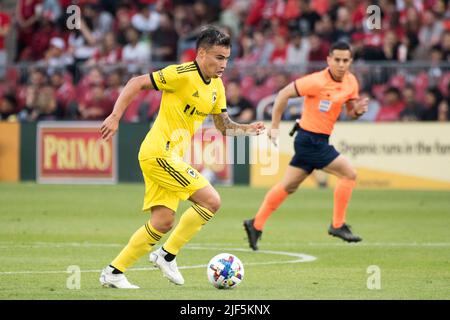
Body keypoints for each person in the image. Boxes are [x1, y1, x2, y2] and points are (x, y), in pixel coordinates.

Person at [99, 26, 265, 288]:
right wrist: (115, 116)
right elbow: (136, 83)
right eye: (219, 57)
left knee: (163, 222)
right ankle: (167, 255)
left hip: (168, 156)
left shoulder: (217, 87)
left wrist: (247, 130)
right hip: (159, 153)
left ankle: (114, 272)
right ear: (201, 54)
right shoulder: (181, 74)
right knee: (211, 200)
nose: (224, 64)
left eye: (227, 58)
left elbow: (223, 127)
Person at [243, 41, 369, 251]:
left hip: (318, 140)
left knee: (288, 186)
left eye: (345, 60)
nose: (341, 64)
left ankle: (255, 224)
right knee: (349, 174)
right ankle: (338, 225)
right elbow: (283, 93)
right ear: (328, 59)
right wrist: (274, 125)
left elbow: (350, 113)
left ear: (350, 61)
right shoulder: (316, 81)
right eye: (336, 59)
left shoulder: (351, 82)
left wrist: (357, 112)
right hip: (309, 140)